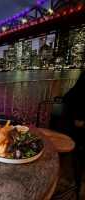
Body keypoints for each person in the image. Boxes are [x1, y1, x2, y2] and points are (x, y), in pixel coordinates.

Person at [62, 70, 85, 200]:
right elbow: (78, 122)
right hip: (73, 131)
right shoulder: (79, 94)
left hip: (69, 127)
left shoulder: (76, 90)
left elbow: (67, 97)